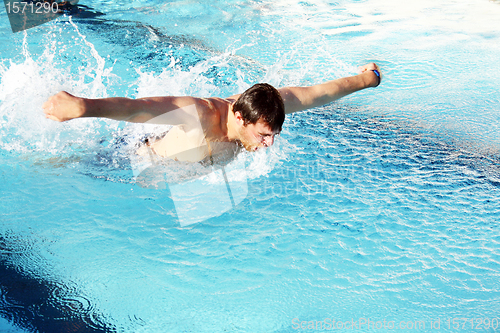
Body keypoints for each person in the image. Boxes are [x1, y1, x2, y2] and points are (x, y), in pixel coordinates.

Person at [43, 63, 382, 163]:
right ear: (239, 117)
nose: (269, 145)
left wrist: (368, 79)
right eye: (264, 136)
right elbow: (142, 108)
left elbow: (318, 93)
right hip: (122, 159)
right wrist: (85, 107)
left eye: (273, 136)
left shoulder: (267, 105)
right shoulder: (203, 114)